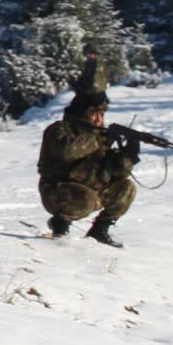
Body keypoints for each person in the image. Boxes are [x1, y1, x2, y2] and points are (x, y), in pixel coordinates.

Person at [36, 89, 138, 246]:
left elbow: (118, 173)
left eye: (101, 114)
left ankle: (99, 230)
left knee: (126, 188)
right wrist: (99, 140)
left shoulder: (100, 135)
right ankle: (60, 224)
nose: (98, 119)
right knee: (86, 197)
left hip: (89, 190)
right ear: (81, 113)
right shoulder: (60, 129)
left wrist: (128, 156)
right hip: (57, 191)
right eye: (94, 114)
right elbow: (67, 151)